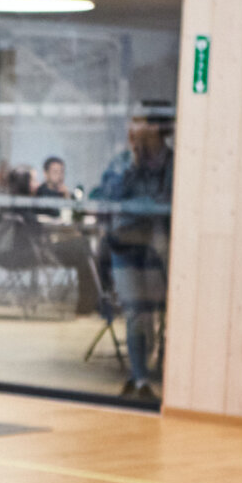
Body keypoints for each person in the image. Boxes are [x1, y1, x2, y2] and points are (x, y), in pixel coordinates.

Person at [93, 103, 174, 400]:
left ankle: (152, 371)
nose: (132, 127)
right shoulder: (123, 162)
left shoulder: (173, 163)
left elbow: (169, 202)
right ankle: (140, 379)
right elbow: (106, 197)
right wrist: (132, 169)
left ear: (155, 128)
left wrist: (138, 206)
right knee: (135, 312)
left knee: (156, 312)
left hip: (158, 248)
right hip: (125, 246)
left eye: (139, 121)